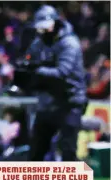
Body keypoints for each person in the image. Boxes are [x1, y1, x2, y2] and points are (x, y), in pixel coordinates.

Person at [13, 5, 88, 161]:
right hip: (48, 101)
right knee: (36, 151)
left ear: (55, 23)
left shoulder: (69, 43)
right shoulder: (39, 42)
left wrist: (35, 70)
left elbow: (62, 73)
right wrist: (24, 66)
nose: (43, 31)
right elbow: (29, 59)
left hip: (70, 101)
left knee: (68, 149)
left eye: (46, 27)